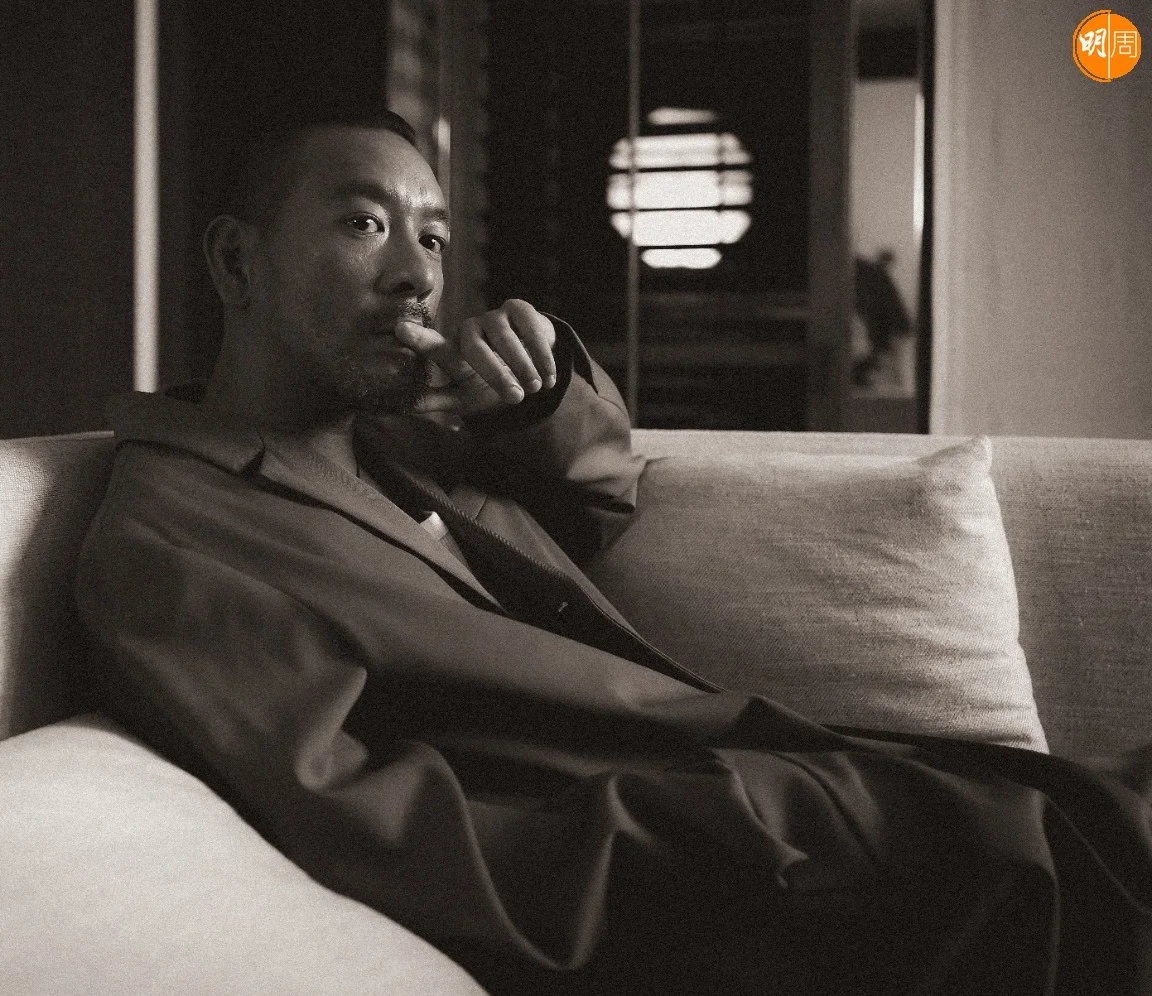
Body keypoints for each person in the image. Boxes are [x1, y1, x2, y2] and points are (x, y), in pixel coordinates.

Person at [76, 106, 1151, 994]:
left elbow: (599, 501)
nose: (415, 276)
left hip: (772, 774)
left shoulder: (403, 444)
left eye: (433, 237)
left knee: (1101, 807)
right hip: (701, 851)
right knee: (1053, 854)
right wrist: (735, 814)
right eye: (364, 224)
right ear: (236, 262)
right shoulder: (171, 535)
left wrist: (536, 398)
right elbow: (374, 831)